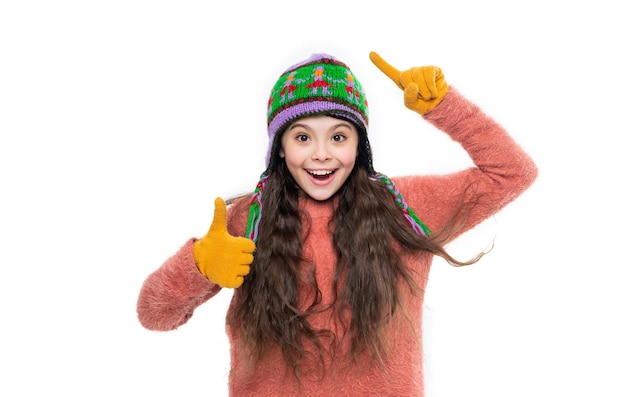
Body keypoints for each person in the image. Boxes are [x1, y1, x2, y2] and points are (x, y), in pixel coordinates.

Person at [137, 51, 538, 396]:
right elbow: (154, 316)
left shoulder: (403, 207)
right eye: (303, 138)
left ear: (359, 144)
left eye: (339, 137)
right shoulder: (248, 219)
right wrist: (197, 266)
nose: (322, 155)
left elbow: (513, 172)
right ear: (279, 145)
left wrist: (444, 106)